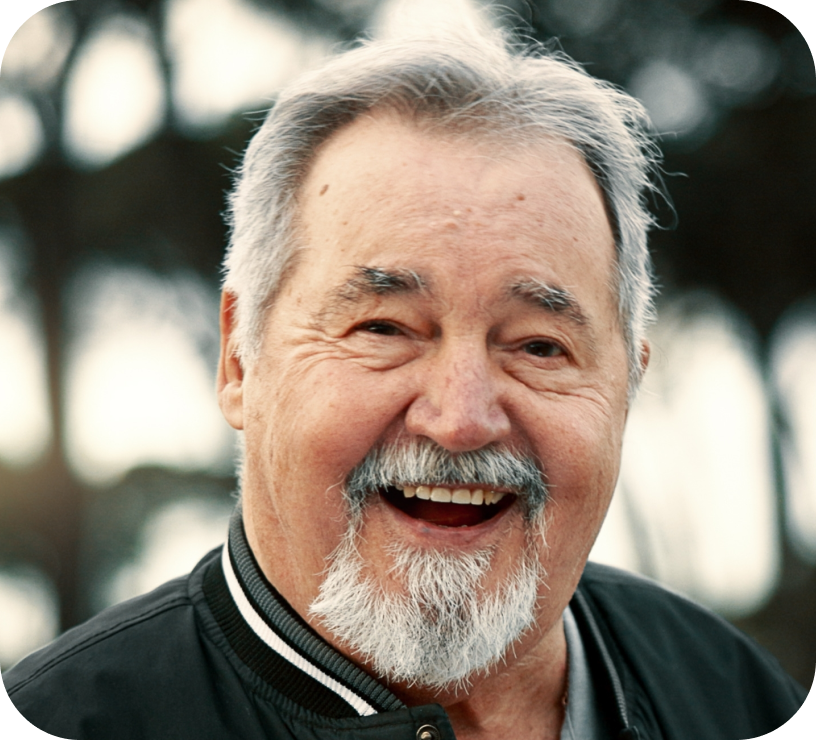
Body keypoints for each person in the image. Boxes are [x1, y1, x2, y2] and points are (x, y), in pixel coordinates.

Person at [4, 29, 808, 740]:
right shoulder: (73, 719)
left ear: (628, 384)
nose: (461, 419)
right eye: (384, 329)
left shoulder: (730, 694)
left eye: (537, 345)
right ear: (240, 361)